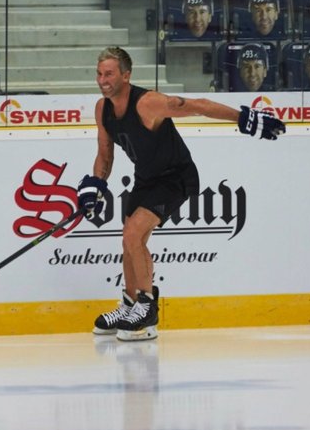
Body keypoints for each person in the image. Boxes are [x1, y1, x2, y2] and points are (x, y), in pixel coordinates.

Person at [81, 46, 284, 341]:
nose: (102, 80)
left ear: (126, 75)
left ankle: (147, 311)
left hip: (175, 178)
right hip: (146, 178)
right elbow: (105, 154)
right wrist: (95, 185)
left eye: (109, 74)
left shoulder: (147, 103)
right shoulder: (103, 109)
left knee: (133, 235)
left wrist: (244, 119)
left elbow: (198, 105)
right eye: (99, 74)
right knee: (128, 239)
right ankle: (129, 305)